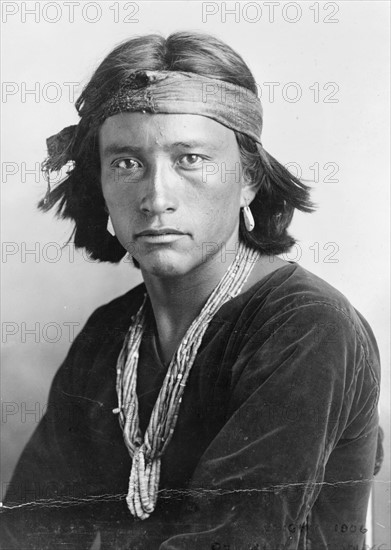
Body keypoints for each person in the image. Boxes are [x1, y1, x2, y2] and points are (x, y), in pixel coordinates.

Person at [0, 32, 383, 550]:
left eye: (191, 159)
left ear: (248, 177)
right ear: (101, 183)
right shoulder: (106, 336)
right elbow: (26, 531)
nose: (156, 198)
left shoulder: (306, 328)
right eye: (127, 163)